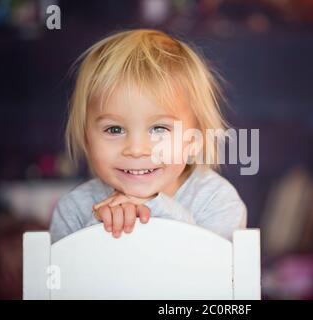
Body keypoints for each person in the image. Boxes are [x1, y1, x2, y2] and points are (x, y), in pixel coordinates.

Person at [49, 29, 247, 243]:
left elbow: (210, 271)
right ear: (87, 140)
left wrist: (155, 207)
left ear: (192, 141)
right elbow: (69, 274)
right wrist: (99, 227)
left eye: (159, 129)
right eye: (114, 129)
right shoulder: (74, 210)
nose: (136, 149)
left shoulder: (216, 201)